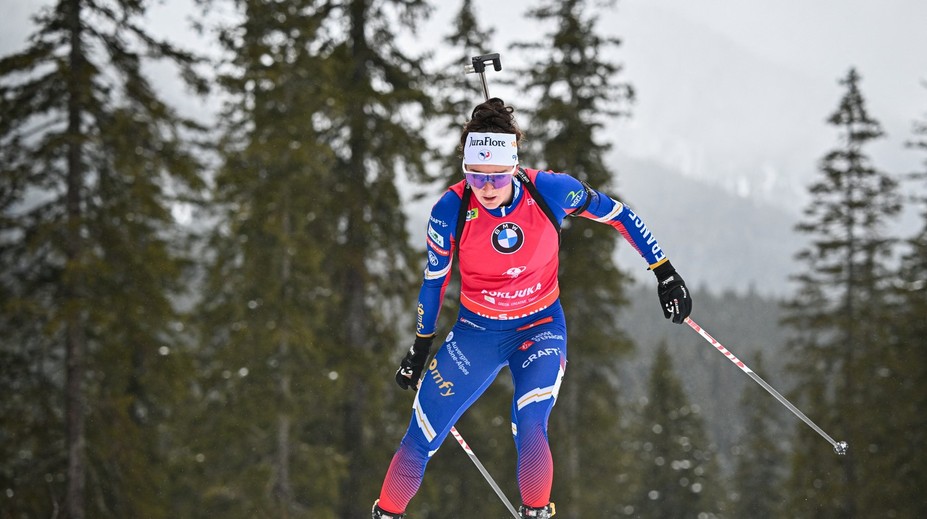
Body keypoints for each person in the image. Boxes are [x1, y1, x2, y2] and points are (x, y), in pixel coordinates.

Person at [372, 98, 692, 519]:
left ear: (515, 167)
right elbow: (434, 283)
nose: (486, 187)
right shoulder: (450, 210)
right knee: (420, 437)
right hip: (477, 332)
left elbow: (619, 215)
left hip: (539, 325)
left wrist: (664, 271)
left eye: (498, 176)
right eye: (475, 175)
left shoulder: (550, 190)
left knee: (531, 423)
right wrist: (419, 347)